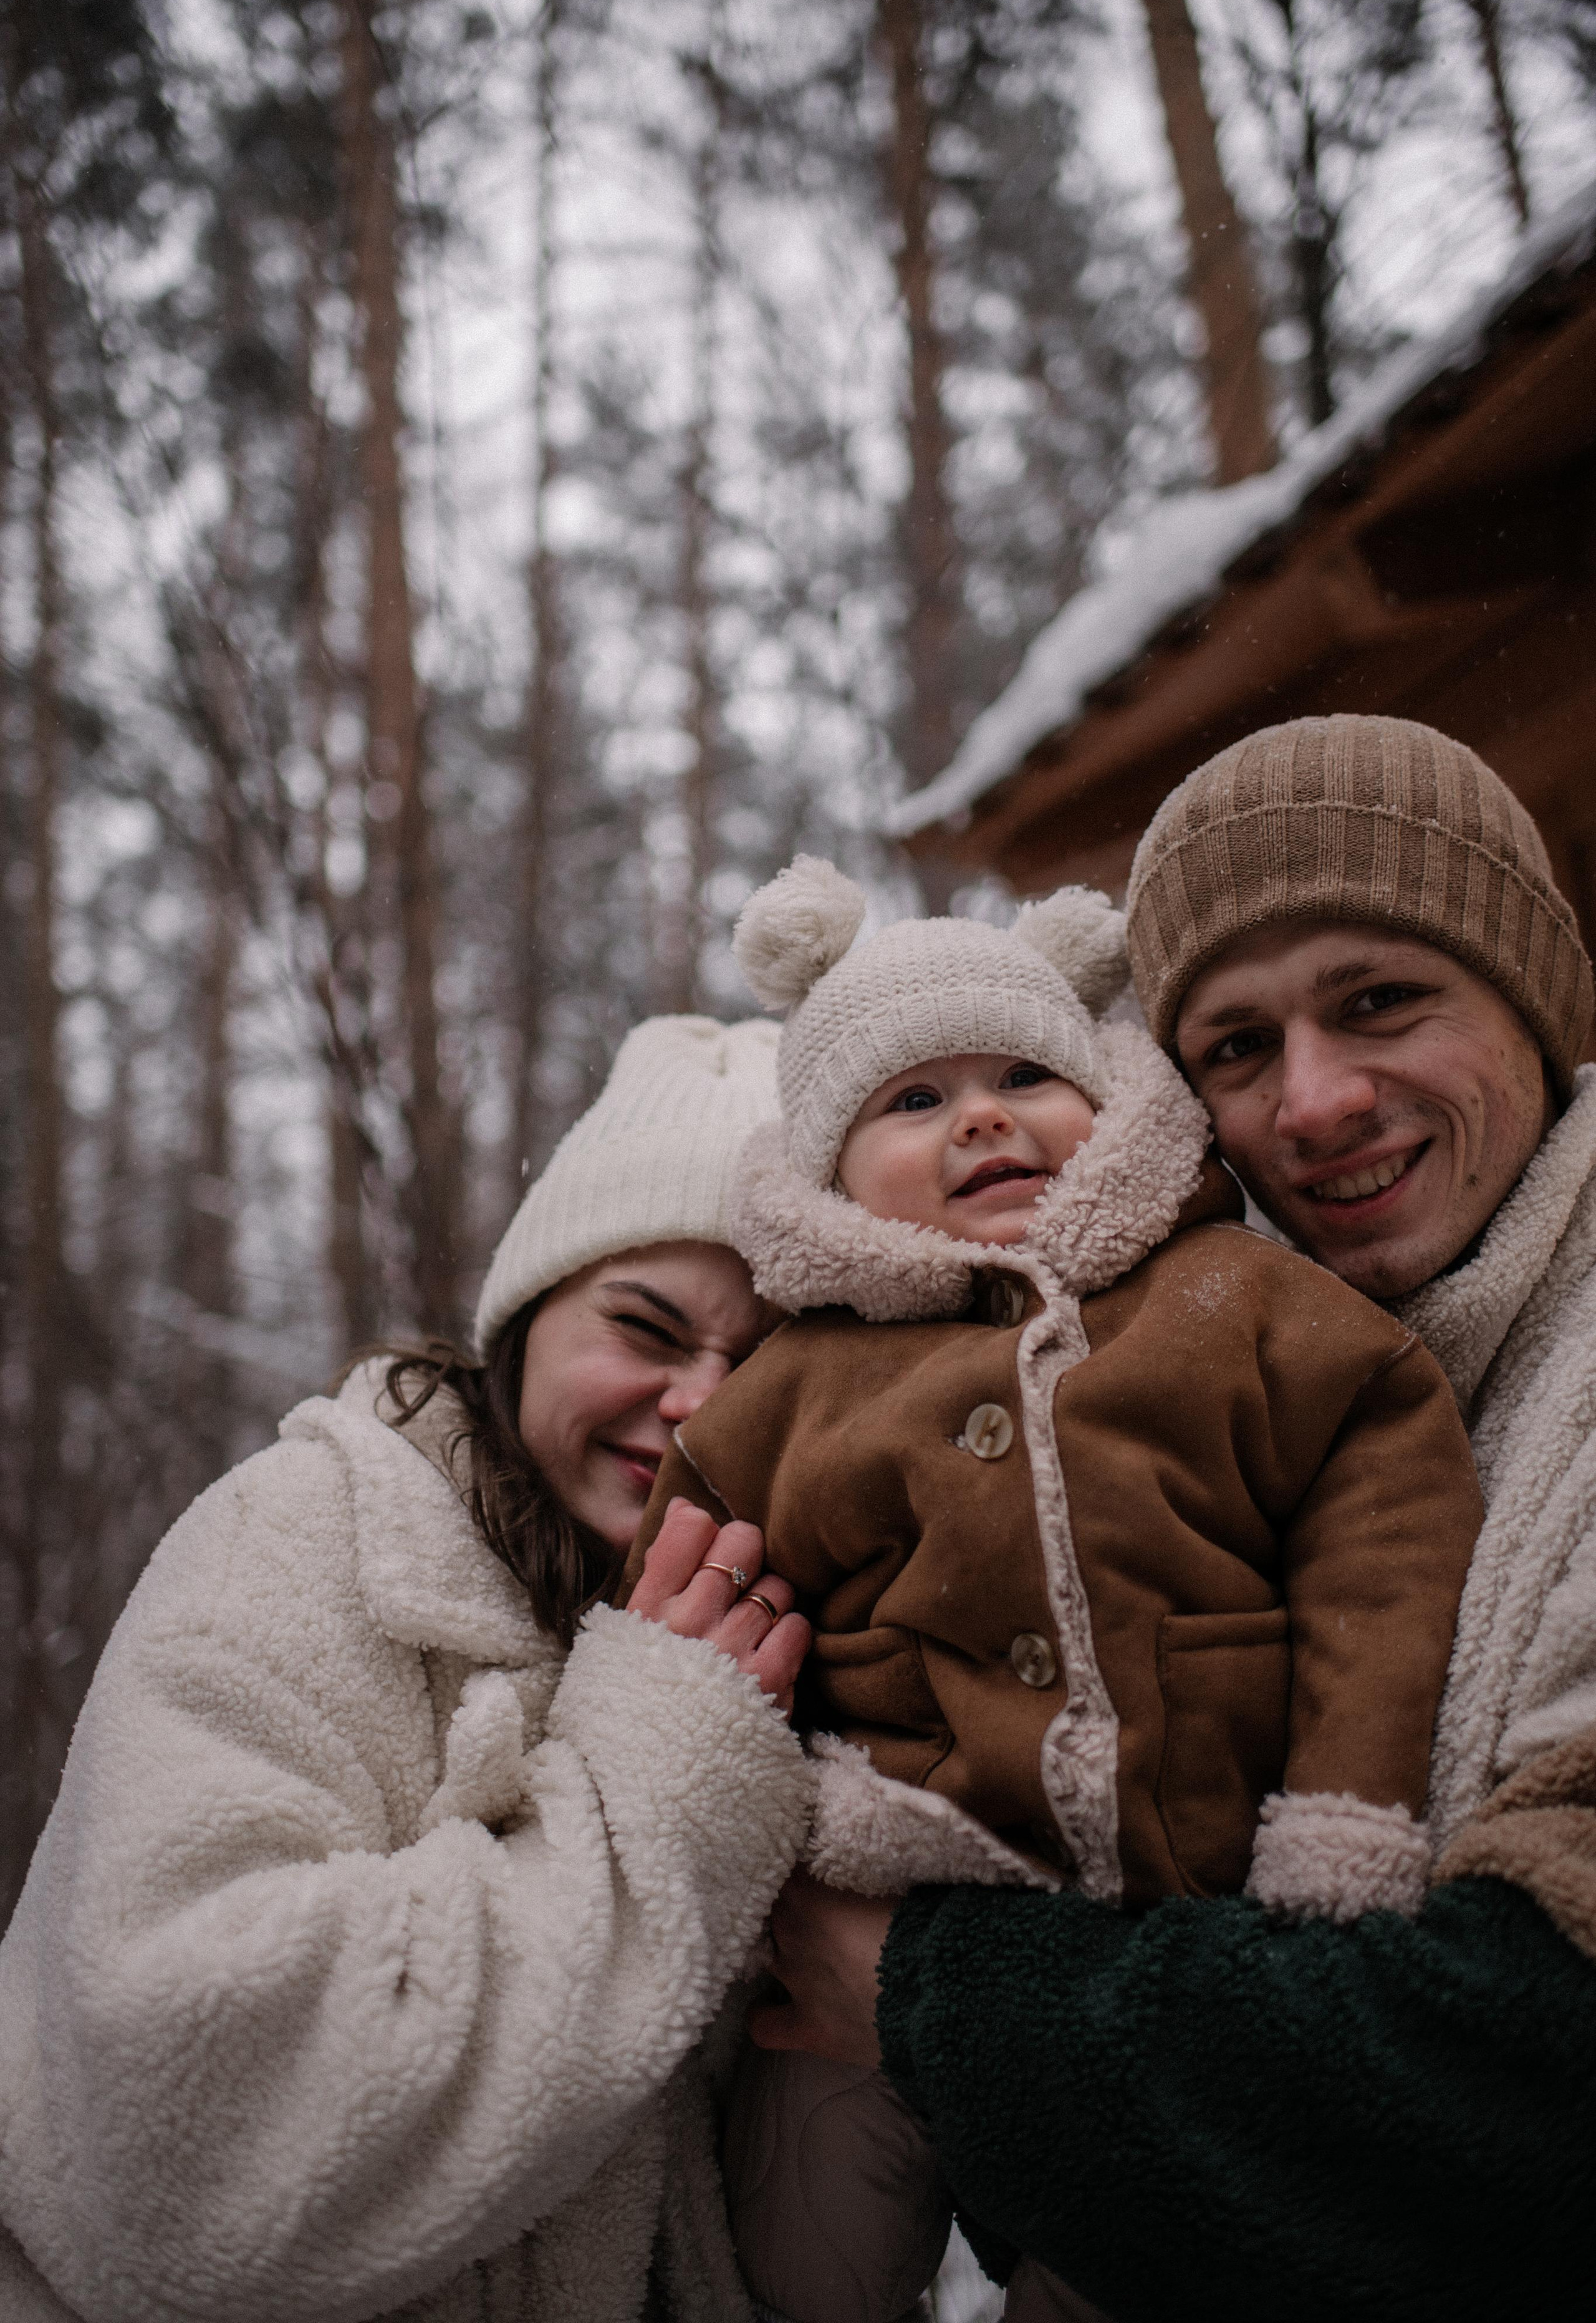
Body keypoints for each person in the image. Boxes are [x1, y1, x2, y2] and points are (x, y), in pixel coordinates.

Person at [749, 716, 1596, 2323]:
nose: (1318, 1100)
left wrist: (918, 1993)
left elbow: (1526, 2084)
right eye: (1234, 1048)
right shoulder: (1245, 1364)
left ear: (1532, 1000)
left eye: (1378, 1000)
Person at [623, 852, 1481, 2323]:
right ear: (829, 1169)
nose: (980, 1115)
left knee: (1140, 2262)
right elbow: (689, 1613)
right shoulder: (790, 1389)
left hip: (1178, 1923)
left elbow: (1382, 1544)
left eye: (1025, 1071)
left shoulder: (1231, 1299)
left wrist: (1340, 1816)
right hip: (877, 1902)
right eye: (910, 1101)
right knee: (784, 2270)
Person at [0, 1014, 814, 2323]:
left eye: (768, 1365)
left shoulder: (783, 1639)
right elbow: (178, 2133)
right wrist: (656, 1778)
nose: (698, 1407)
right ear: (529, 1316)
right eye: (645, 1328)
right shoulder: (305, 1539)